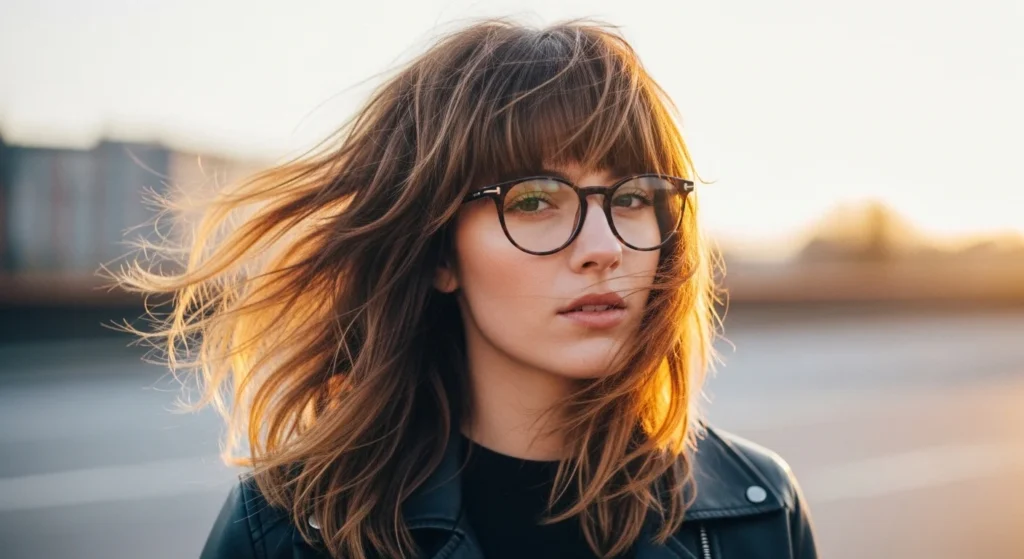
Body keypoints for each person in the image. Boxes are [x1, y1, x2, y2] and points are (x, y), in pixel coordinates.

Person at [117, 17, 816, 559]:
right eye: (534, 201)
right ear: (439, 252)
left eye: (632, 197)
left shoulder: (756, 510)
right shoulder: (294, 529)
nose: (604, 248)